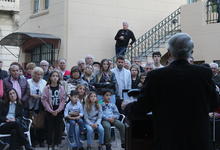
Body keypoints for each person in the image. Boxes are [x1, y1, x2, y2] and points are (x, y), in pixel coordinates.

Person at [126, 33, 219, 150]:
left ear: (169, 53)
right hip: (198, 139)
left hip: (169, 139)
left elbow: (142, 107)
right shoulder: (203, 73)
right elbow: (214, 103)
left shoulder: (156, 75)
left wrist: (127, 107)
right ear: (191, 52)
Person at [41, 70, 66, 150]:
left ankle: (56, 143)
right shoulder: (46, 88)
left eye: (56, 76)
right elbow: (44, 100)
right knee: (49, 128)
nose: (55, 77)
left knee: (58, 128)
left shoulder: (61, 88)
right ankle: (49, 143)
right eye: (53, 76)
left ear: (59, 78)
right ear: (50, 78)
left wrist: (58, 110)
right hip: (49, 111)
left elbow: (63, 100)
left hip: (59, 110)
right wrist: (51, 110)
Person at [27, 67, 47, 147]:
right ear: (33, 74)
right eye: (37, 74)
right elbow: (25, 92)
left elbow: (46, 93)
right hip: (30, 105)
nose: (38, 76)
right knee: (32, 124)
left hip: (41, 106)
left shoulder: (44, 82)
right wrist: (32, 95)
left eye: (40, 74)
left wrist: (42, 96)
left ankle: (41, 140)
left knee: (41, 123)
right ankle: (33, 141)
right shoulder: (28, 82)